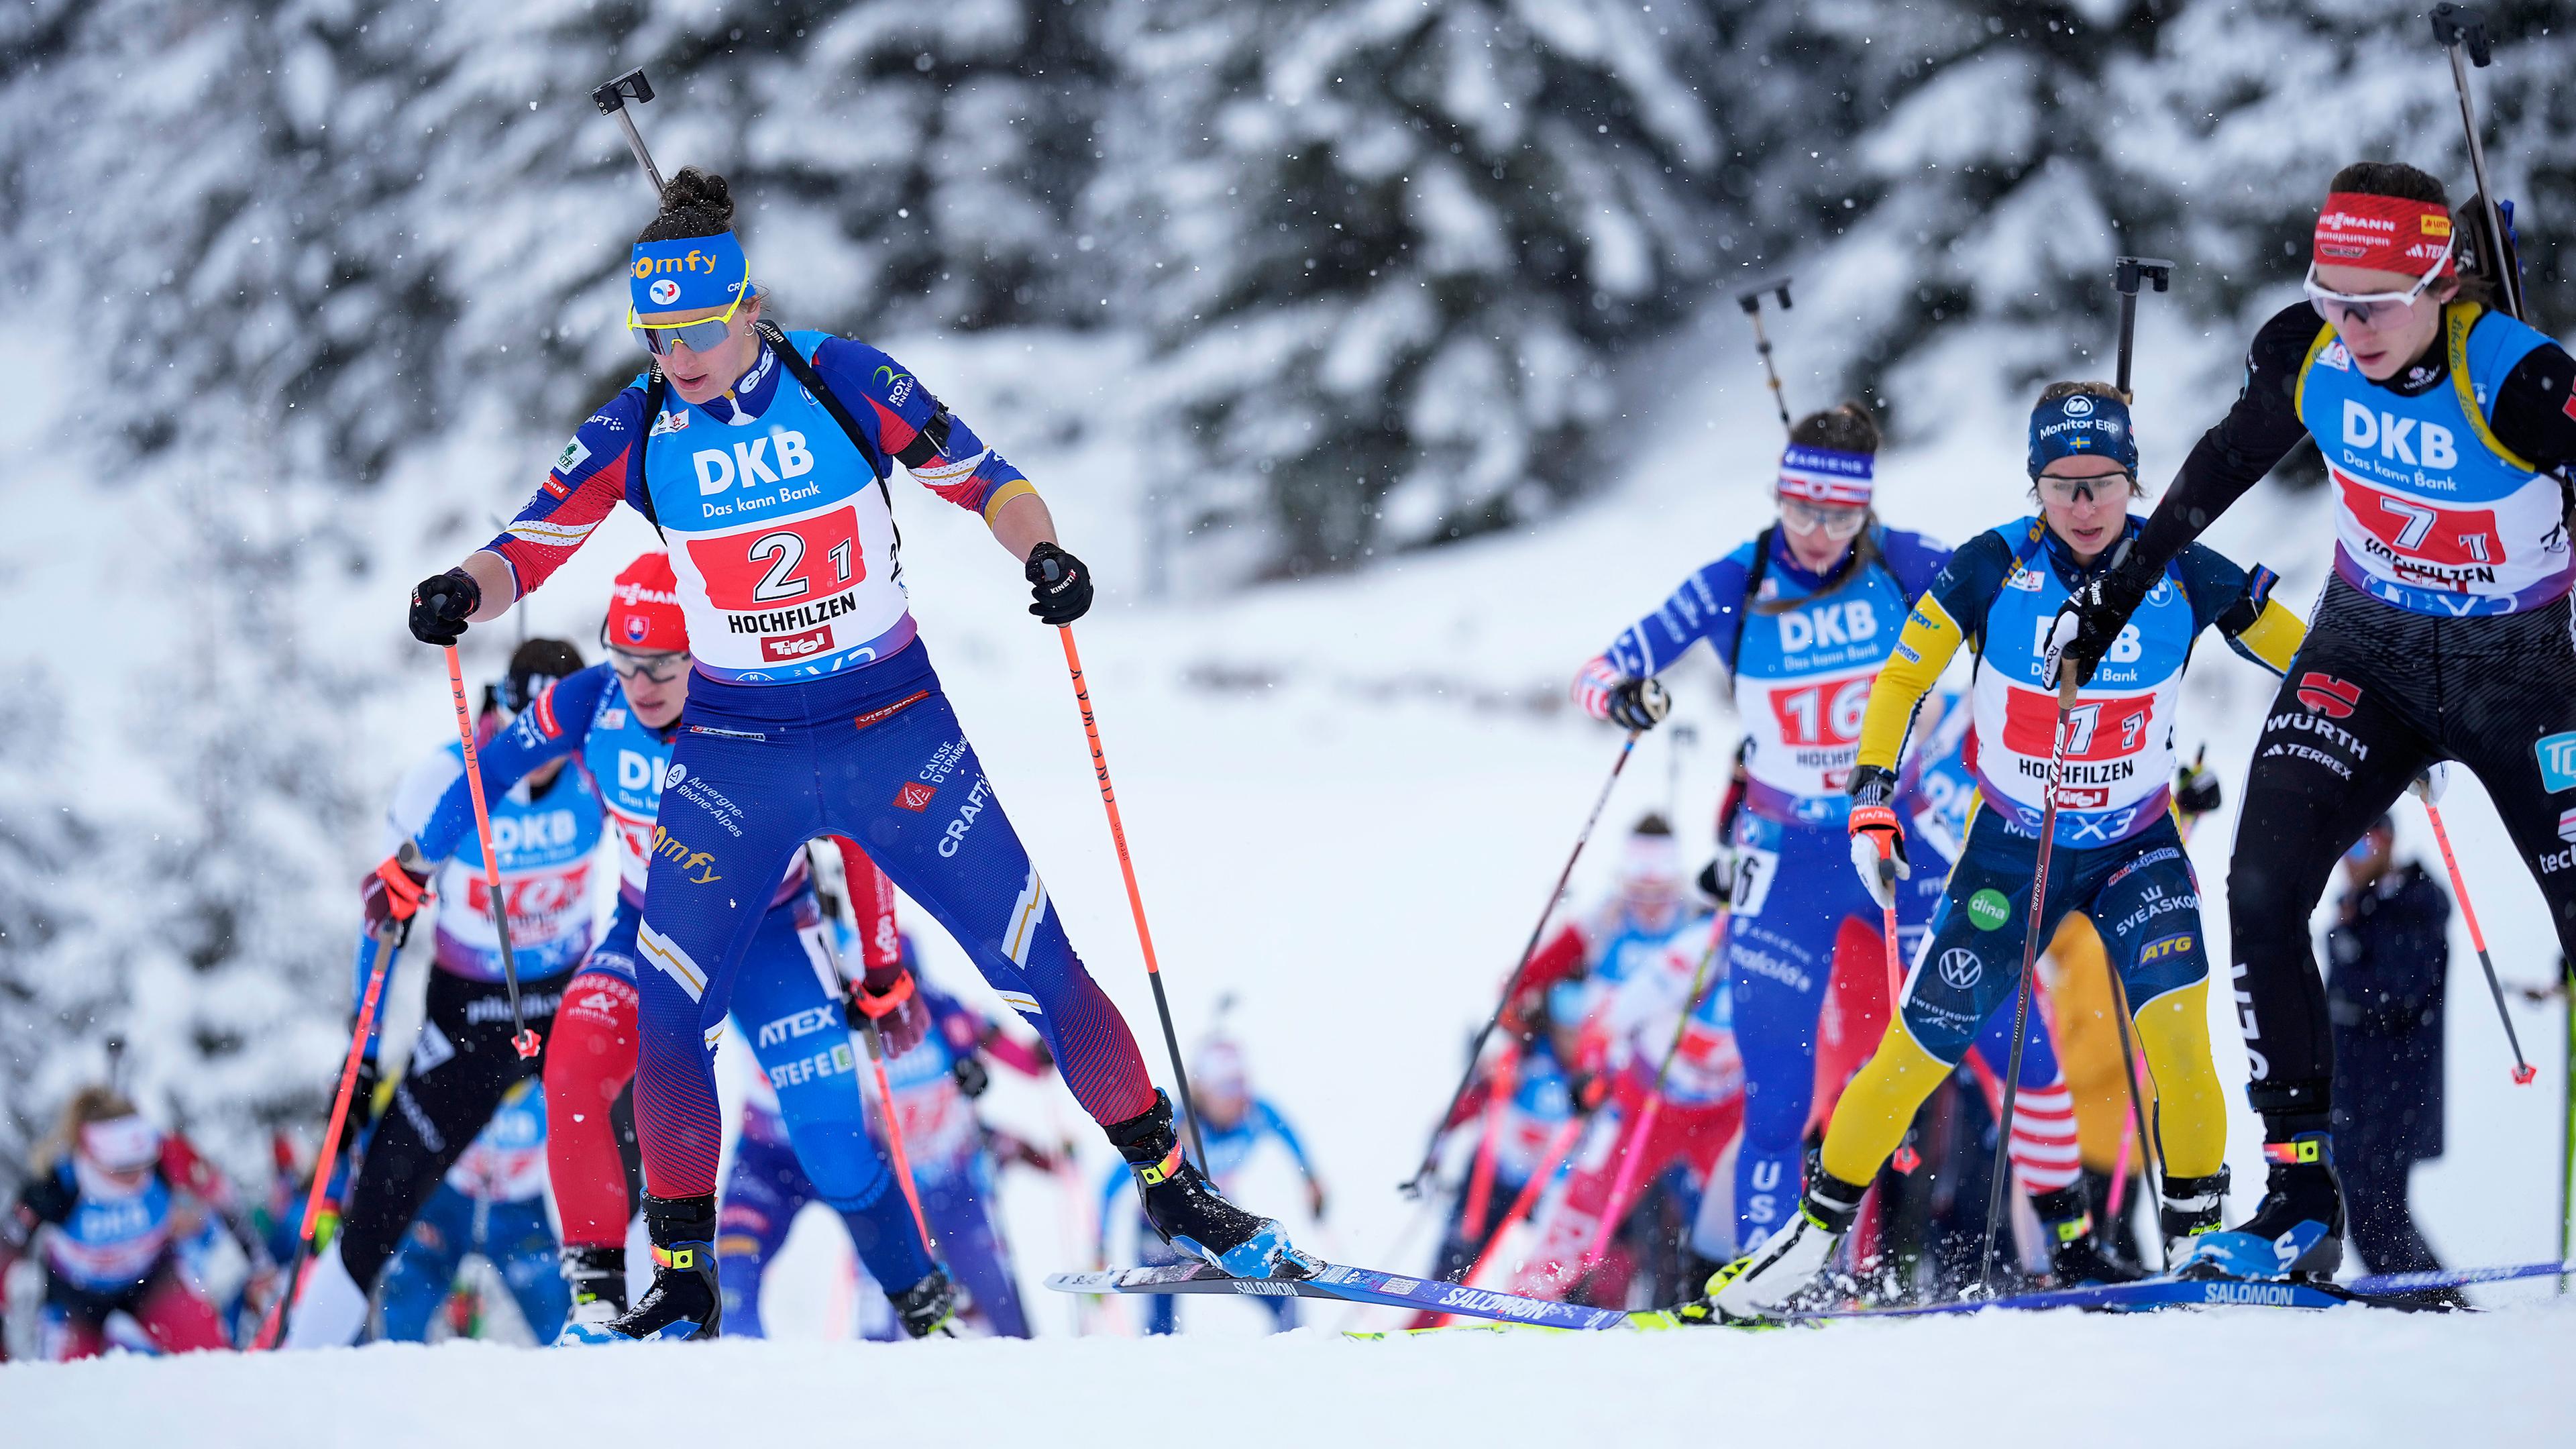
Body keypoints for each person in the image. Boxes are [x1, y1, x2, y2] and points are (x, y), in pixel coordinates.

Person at [405, 167, 1310, 1338]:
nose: (675, 354)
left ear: (746, 309)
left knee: (1038, 959)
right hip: (736, 750)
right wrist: (459, 593)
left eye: (695, 329)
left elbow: (985, 476)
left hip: (894, 727)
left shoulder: (843, 381)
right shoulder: (636, 429)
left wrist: (1045, 554)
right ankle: (681, 1276)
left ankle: (1177, 1193)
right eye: (655, 334)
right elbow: (531, 543)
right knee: (671, 1005)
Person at [2052, 162, 2576, 1280]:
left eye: (2377, 301)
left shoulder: (2519, 377)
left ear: (2441, 279)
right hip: (2366, 653)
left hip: (2517, 669)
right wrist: (2109, 603)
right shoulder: (2309, 354)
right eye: (2333, 295)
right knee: (2261, 888)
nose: (2353, 323)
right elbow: (2211, 479)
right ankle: (2298, 1193)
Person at [1704, 381, 2308, 1318]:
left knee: (2182, 1043)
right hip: (2008, 854)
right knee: (1916, 1053)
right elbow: (1904, 679)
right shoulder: (1992, 567)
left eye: (2103, 483)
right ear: (2035, 486)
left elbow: (2293, 652)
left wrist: (2374, 712)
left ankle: (2200, 1244)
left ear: (2132, 480)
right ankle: (1806, 1244)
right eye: (2062, 485)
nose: (2084, 506)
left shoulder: (2177, 564)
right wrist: (1871, 800)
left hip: (2136, 848)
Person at [356, 555, 954, 1344]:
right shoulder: (589, 703)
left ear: (704, 651)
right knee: (573, 1065)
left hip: (769, 937)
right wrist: (414, 864)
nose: (642, 686)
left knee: (833, 1149)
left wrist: (883, 972)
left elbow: (859, 837)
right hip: (649, 930)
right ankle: (599, 1302)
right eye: (628, 662)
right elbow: (488, 769)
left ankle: (927, 1313)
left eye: (665, 665)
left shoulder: (769, 711)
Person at [1574, 405, 1951, 1254]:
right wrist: (1622, 695)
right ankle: (1761, 1274)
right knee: (1777, 1096)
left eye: (1841, 516)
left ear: (1867, 510)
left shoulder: (1906, 564)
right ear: (1779, 499)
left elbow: (2033, 603)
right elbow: (1598, 673)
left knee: (1950, 1058)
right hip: (1783, 859)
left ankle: (1951, 1261)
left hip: (1895, 843)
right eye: (1802, 512)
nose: (1819, 534)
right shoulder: (1735, 582)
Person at [284, 639, 598, 1347]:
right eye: (530, 724)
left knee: (650, 1177)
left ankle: (659, 1369)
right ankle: (290, 1370)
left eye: (562, 730)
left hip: (573, 1004)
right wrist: (361, 1052)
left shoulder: (597, 755)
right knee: (374, 1217)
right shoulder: (445, 776)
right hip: (469, 1017)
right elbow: (384, 914)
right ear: (505, 708)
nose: (546, 749)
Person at [720, 932, 1057, 1340]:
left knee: (992, 1293)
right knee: (885, 1306)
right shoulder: (849, 1023)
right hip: (891, 1180)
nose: (897, 1004)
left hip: (952, 1183)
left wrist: (1040, 1044)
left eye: (906, 982)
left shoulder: (941, 1009)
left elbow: (1018, 1056)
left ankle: (1024, 1368)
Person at [1099, 1040, 1324, 1334]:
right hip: (1162, 1229)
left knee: (1283, 1300)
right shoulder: (1177, 1126)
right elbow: (1110, 1184)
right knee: (1161, 1325)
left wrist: (1311, 1181)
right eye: (1226, 1088)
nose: (1238, 1098)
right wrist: (1099, 1242)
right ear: (1204, 1092)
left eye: (1242, 1085)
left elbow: (1289, 1134)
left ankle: (1287, 1359)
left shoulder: (1255, 1114)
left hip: (1216, 1217)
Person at [1, 1089, 237, 1359]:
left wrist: (260, 1269)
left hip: (151, 1279)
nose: (136, 1176)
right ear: (89, 1154)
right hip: (76, 1297)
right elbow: (6, 1249)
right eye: (121, 1168)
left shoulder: (168, 1156)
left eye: (142, 1164)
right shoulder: (57, 1184)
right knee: (65, 1385)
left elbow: (224, 1199)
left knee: (213, 1356)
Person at [2326, 813, 2457, 1293]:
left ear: (2386, 844)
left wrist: (2348, 944)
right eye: (2343, 852)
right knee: (2371, 1219)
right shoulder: (2363, 907)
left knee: (2381, 1220)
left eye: (2358, 850)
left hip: (2395, 1094)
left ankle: (2439, 1306)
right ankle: (2435, 1305)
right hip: (2357, 1094)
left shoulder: (2413, 905)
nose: (2349, 864)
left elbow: (2396, 995)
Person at [375, 1079, 570, 1342]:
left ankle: (570, 1369)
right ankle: (395, 1364)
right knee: (409, 1285)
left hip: (519, 1210)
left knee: (551, 1300)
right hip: (449, 1199)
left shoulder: (549, 1079)